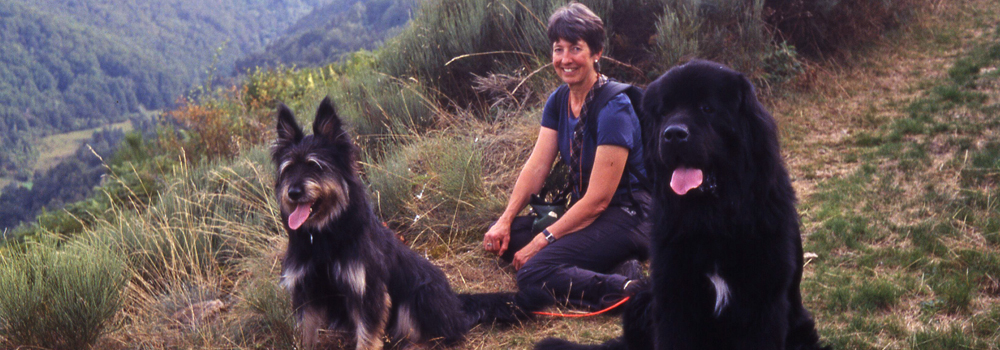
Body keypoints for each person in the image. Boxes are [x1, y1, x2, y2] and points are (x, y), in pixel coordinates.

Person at [482, 2, 651, 310]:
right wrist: (504, 220)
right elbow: (537, 166)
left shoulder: (615, 108)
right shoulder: (559, 100)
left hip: (628, 216)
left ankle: (626, 287)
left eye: (576, 48)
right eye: (558, 49)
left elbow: (599, 199)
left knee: (533, 271)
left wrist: (541, 241)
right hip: (591, 213)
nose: (565, 59)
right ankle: (616, 264)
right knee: (508, 240)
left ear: (596, 53)